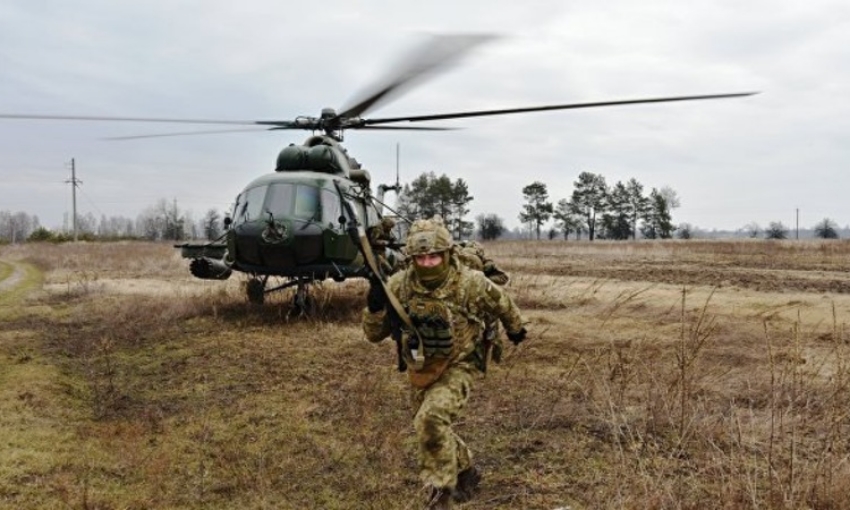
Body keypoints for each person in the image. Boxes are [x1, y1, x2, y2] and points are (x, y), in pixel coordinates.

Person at [362, 216, 527, 509]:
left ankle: (440, 495)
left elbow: (502, 302)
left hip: (460, 365)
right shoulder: (400, 285)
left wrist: (516, 329)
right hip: (421, 368)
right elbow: (375, 334)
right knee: (430, 427)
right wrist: (375, 305)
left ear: (448, 254)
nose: (428, 263)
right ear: (412, 257)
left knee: (431, 419)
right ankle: (467, 472)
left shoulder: (470, 283)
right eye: (421, 258)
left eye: (434, 256)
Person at [456, 240, 510, 365]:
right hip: (472, 301)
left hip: (471, 300)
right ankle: (489, 359)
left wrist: (481, 280)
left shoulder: (484, 264)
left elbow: (502, 278)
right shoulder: (477, 262)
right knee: (487, 331)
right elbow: (503, 278)